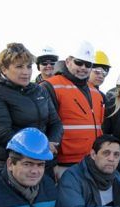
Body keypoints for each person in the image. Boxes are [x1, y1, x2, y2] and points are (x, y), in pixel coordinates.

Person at [0, 43, 62, 174]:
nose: (26, 72)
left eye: (29, 66)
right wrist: (42, 147)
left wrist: (52, 142)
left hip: (42, 164)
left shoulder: (39, 90)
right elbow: (2, 133)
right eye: (19, 66)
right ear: (4, 69)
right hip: (8, 167)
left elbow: (56, 123)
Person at [41, 41, 105, 179]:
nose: (83, 68)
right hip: (64, 165)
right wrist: (52, 165)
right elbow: (45, 126)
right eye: (79, 62)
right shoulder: (50, 86)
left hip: (91, 161)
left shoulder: (95, 91)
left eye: (88, 65)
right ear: (68, 61)